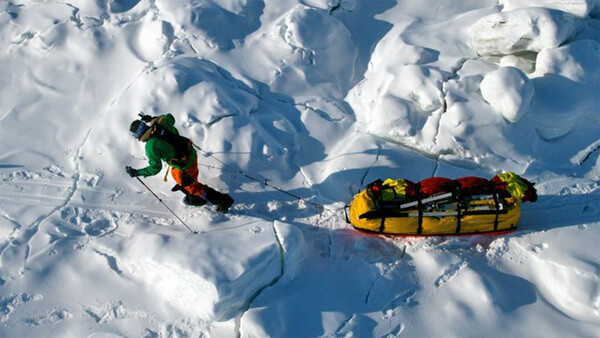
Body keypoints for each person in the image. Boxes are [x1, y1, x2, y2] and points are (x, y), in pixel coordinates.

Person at [125, 113, 234, 213]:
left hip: (184, 164)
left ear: (138, 134)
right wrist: (153, 119)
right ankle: (186, 185)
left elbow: (155, 168)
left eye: (135, 136)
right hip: (190, 153)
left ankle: (221, 200)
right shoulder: (161, 124)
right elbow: (170, 117)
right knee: (177, 174)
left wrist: (137, 172)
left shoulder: (150, 146)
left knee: (193, 187)